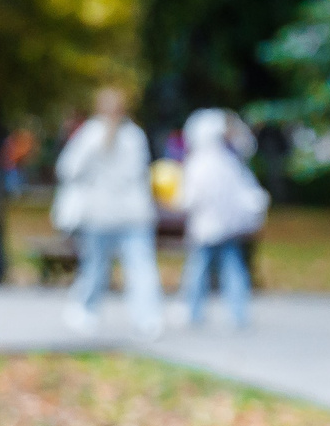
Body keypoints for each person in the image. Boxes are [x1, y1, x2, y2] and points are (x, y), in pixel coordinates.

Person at [53, 86, 161, 339]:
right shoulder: (134, 136)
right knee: (141, 268)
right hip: (133, 213)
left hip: (98, 213)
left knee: (95, 266)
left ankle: (86, 311)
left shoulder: (89, 134)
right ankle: (147, 318)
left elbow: (68, 169)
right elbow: (140, 173)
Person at [175, 109, 269, 331]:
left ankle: (193, 311)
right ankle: (238, 313)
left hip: (205, 228)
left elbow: (188, 199)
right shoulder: (228, 162)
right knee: (232, 268)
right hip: (229, 228)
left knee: (198, 270)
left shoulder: (197, 164)